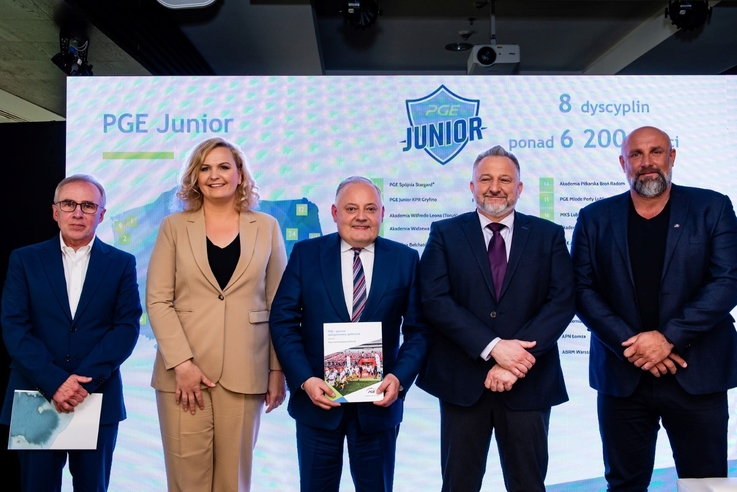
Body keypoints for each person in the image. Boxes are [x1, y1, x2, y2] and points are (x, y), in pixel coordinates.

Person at [571, 126, 737, 490]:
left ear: (672, 157)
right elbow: (581, 289)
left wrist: (668, 339)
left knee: (706, 485)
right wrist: (634, 347)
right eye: (636, 154)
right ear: (623, 163)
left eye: (656, 152)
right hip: (622, 376)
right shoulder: (594, 217)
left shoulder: (713, 208)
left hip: (697, 373)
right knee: (624, 485)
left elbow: (727, 281)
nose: (647, 162)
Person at [418, 145, 575, 492]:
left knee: (528, 484)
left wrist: (515, 361)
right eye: (485, 179)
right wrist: (492, 347)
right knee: (459, 485)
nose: (494, 187)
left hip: (528, 382)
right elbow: (434, 300)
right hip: (463, 383)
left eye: (505, 179)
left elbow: (562, 301)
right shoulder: (445, 233)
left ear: (519, 188)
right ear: (471, 186)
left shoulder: (548, 235)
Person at [269, 176, 429, 492]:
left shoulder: (405, 259)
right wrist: (305, 380)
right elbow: (283, 321)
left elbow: (419, 330)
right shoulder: (306, 254)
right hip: (318, 403)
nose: (361, 217)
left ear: (382, 213)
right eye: (351, 208)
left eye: (370, 209)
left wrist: (399, 378)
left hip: (378, 407)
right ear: (334, 212)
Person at [147, 137, 287, 492]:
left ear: (240, 174)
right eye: (205, 168)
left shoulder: (267, 227)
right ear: (194, 177)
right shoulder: (173, 227)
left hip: (246, 372)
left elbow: (279, 305)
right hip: (182, 376)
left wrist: (277, 370)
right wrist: (182, 365)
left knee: (233, 483)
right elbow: (158, 300)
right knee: (186, 481)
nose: (214, 175)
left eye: (224, 167)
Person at [1, 174, 141, 491]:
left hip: (96, 395)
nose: (78, 213)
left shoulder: (121, 264)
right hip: (36, 395)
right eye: (69, 204)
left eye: (88, 205)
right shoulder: (24, 260)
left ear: (101, 215)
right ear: (55, 211)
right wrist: (55, 382)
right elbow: (14, 326)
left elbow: (126, 328)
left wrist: (81, 384)